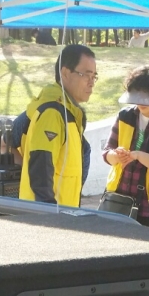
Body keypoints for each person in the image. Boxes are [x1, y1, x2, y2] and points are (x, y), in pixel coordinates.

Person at [102, 65, 149, 229]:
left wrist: (137, 155)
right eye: (137, 94)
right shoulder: (124, 116)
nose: (141, 101)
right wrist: (116, 155)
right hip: (118, 198)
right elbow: (107, 153)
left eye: (147, 95)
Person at [19, 44, 96, 207]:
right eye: (86, 75)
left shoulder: (69, 113)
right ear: (65, 73)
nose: (91, 83)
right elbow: (41, 169)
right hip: (47, 216)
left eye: (94, 76)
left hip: (63, 214)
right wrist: (51, 215)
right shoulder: (53, 113)